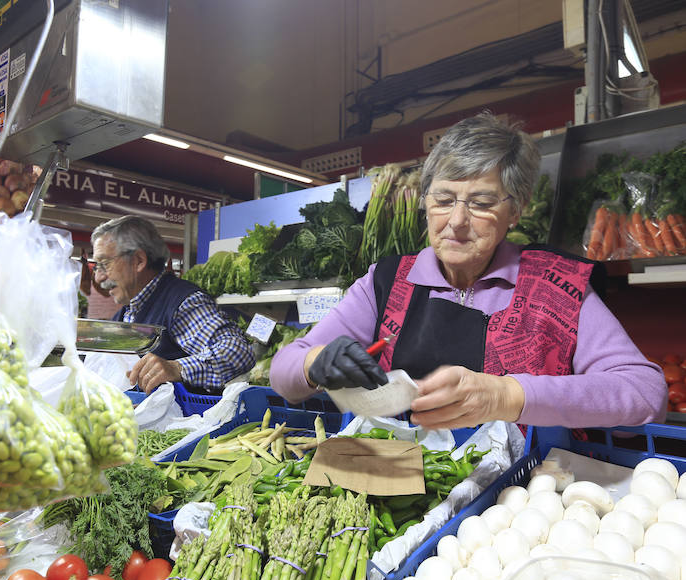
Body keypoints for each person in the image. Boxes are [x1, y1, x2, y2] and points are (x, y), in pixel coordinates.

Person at [270, 112, 667, 429]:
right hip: (405, 490)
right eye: (443, 199)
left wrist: (507, 396)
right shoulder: (386, 282)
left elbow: (646, 394)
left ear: (516, 210)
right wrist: (313, 362)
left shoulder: (557, 286)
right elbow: (283, 373)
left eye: (481, 202)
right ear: (424, 202)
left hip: (515, 501)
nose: (457, 221)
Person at [91, 215, 254, 393]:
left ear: (139, 261)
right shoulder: (125, 313)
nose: (99, 278)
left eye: (104, 264)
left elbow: (238, 351)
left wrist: (177, 368)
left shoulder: (182, 303)